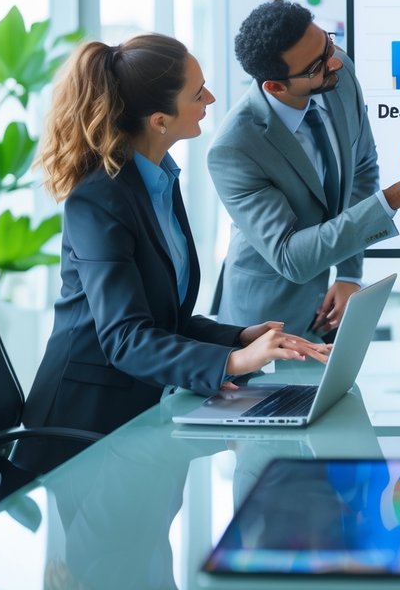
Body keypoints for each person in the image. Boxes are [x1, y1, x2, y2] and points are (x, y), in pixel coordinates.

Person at [24, 35, 329, 443]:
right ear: (159, 120)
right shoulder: (98, 200)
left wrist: (238, 337)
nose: (211, 99)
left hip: (141, 412)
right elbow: (126, 338)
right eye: (198, 93)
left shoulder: (160, 180)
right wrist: (235, 360)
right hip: (81, 426)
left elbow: (163, 321)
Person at [209, 0, 400, 339]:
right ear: (275, 86)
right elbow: (290, 257)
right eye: (316, 66)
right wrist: (390, 201)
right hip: (267, 316)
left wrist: (349, 272)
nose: (334, 61)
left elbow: (362, 167)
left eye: (328, 43)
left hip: (334, 308)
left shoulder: (339, 71)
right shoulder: (235, 147)